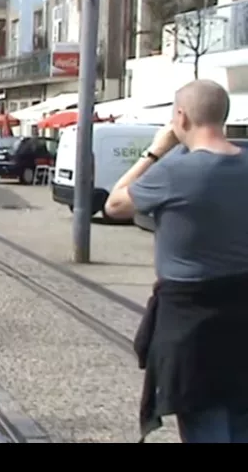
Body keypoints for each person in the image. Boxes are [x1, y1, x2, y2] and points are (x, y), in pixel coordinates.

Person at [103, 79, 248, 443]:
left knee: (207, 425)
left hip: (192, 329)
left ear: (180, 117)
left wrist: (154, 152)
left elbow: (114, 204)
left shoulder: (176, 172)